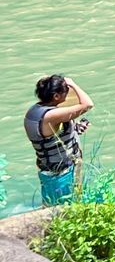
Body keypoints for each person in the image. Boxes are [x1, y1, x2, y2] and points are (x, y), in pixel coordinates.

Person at [25, 73, 92, 205]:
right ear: (56, 96)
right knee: (67, 210)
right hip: (61, 174)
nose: (67, 94)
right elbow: (87, 104)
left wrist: (76, 128)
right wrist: (73, 84)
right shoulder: (51, 115)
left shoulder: (34, 111)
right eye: (65, 91)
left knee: (53, 208)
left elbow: (49, 136)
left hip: (49, 171)